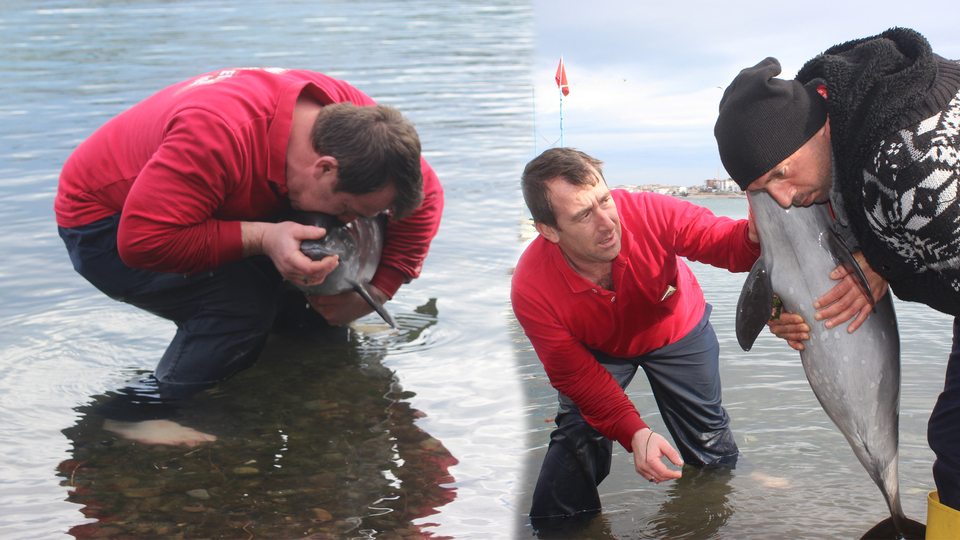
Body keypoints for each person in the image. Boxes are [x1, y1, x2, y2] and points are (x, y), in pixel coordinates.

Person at [55, 68, 443, 446]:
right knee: (240, 306)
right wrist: (263, 237)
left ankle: (297, 381)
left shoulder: (360, 127)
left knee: (312, 295)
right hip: (108, 221)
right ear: (325, 167)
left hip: (217, 196)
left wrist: (378, 289)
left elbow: (426, 197)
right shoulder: (217, 136)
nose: (346, 223)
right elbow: (143, 242)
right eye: (346, 209)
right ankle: (138, 414)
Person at [713, 27, 960, 526]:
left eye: (782, 174)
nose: (783, 199)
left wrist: (887, 257)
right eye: (761, 188)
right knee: (952, 438)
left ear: (818, 129)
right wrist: (780, 302)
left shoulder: (910, 168)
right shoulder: (835, 104)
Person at [511, 147, 760, 523]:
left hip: (677, 330)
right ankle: (563, 527)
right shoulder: (531, 288)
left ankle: (718, 512)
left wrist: (755, 232)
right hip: (598, 348)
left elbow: (728, 244)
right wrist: (635, 433)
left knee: (709, 440)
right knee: (578, 434)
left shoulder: (648, 212)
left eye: (604, 200)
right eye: (583, 215)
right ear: (548, 230)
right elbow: (577, 378)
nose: (607, 223)